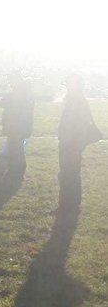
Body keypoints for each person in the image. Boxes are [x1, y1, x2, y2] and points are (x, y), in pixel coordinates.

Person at [57, 74, 102, 214]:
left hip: (72, 145)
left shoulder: (78, 102)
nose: (68, 87)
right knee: (66, 174)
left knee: (71, 175)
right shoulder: (73, 100)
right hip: (68, 143)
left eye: (70, 84)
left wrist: (75, 144)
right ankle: (66, 205)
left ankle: (70, 206)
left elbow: (81, 125)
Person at [0, 72, 35, 178]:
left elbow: (19, 108)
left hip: (18, 125)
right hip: (16, 124)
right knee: (14, 147)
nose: (10, 83)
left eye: (11, 80)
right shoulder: (19, 91)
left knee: (17, 148)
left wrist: (5, 104)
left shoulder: (22, 92)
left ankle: (17, 170)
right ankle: (14, 168)